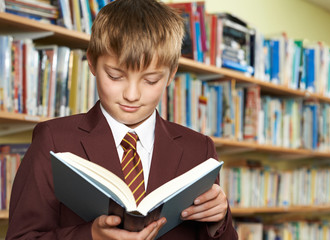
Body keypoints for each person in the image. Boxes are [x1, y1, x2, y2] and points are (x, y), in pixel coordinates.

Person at [6, 0, 238, 239]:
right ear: (93, 63)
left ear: (171, 75)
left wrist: (219, 219)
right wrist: (92, 235)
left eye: (150, 80)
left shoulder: (199, 150)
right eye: (115, 76)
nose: (132, 95)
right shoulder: (53, 139)